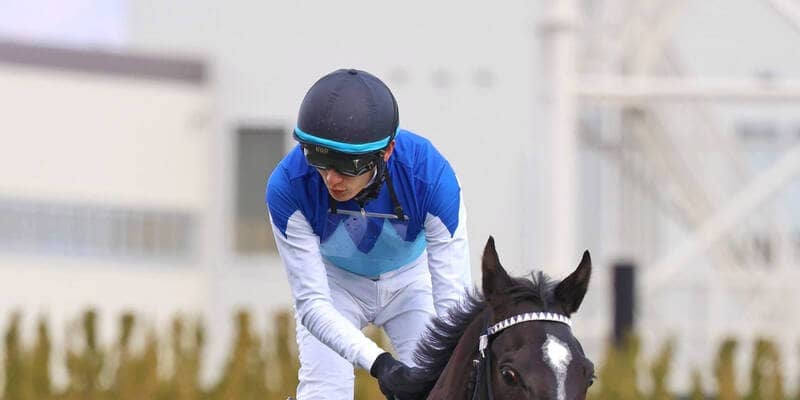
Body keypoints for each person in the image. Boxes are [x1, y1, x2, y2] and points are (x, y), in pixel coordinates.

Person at [266, 68, 471, 400]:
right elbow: (313, 303)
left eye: (349, 164)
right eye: (318, 158)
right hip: (335, 284)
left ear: (386, 152)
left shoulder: (432, 178)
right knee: (325, 393)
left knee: (437, 388)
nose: (332, 179)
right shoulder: (287, 186)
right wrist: (380, 363)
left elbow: (454, 309)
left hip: (412, 282)